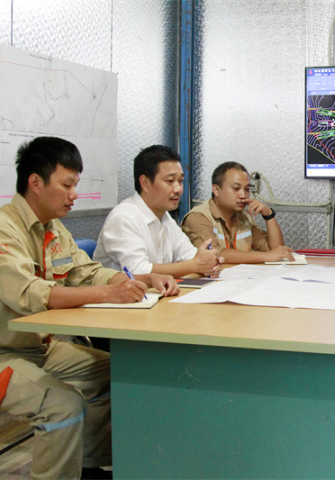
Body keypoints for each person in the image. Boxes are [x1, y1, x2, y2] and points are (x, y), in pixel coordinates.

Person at [0, 137, 180, 480]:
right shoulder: (5, 229)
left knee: (117, 374)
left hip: (41, 347)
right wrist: (108, 294)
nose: (74, 195)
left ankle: (90, 466)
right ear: (35, 183)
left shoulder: (53, 228)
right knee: (60, 405)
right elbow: (30, 292)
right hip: (6, 352)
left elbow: (86, 270)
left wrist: (136, 280)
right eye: (67, 185)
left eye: (76, 185)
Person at [93, 145, 223, 277]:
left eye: (180, 181)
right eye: (170, 181)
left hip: (157, 295)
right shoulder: (123, 218)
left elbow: (189, 255)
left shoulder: (165, 217)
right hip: (122, 297)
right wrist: (195, 265)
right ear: (145, 183)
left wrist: (210, 261)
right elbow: (138, 272)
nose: (178, 189)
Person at [181, 161, 294, 263]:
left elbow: (275, 251)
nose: (243, 195)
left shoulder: (244, 218)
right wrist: (266, 256)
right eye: (236, 189)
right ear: (216, 190)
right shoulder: (198, 217)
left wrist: (269, 215)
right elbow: (214, 253)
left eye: (247, 189)